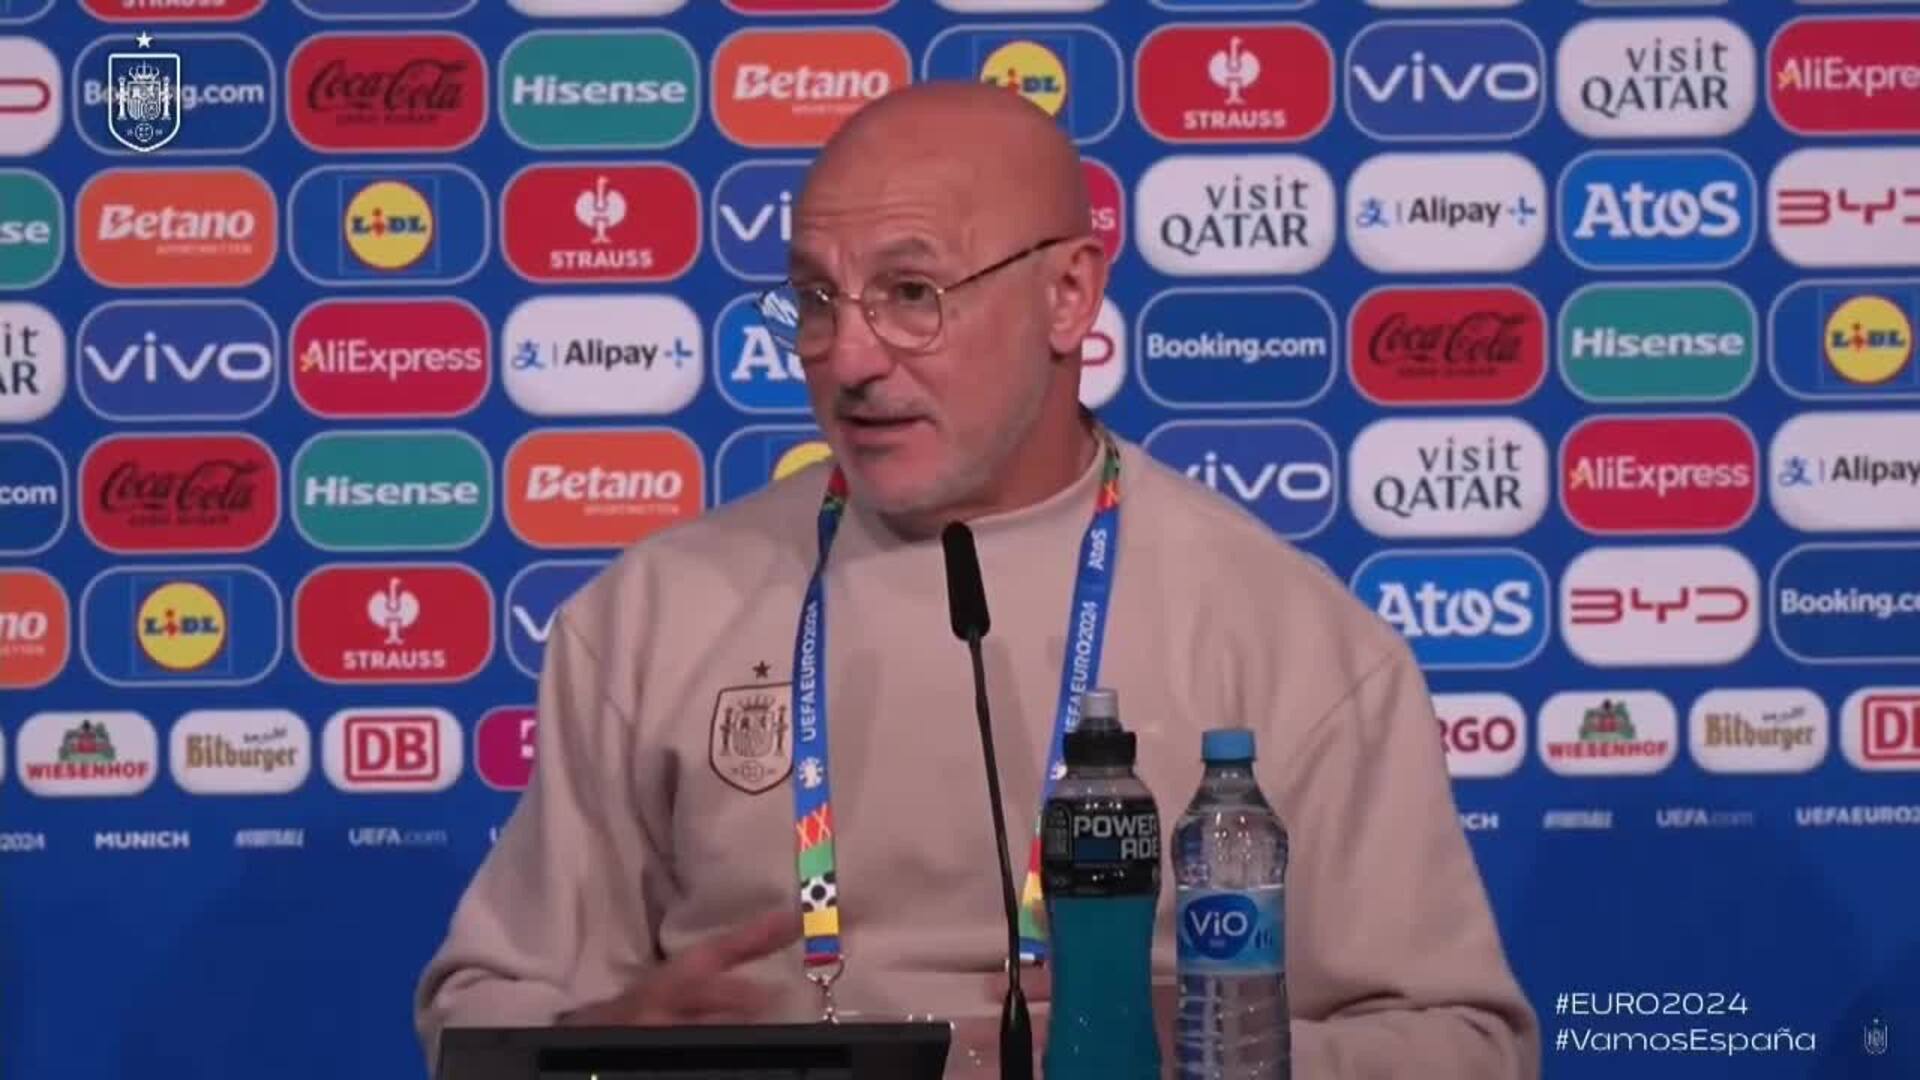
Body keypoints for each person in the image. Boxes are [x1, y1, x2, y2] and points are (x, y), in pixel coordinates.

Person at [413, 80, 1541, 1078]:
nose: (850, 359)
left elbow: (1467, 1045)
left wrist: (1210, 1051)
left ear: (1068, 295)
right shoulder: (648, 618)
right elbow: (484, 1009)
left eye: (912, 293)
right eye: (816, 300)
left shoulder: (1291, 638)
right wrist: (602, 1046)